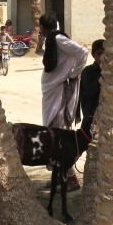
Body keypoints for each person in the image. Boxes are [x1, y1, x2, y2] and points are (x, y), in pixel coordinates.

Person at [40, 12, 89, 190]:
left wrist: (73, 74)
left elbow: (83, 52)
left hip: (59, 94)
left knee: (59, 135)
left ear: (43, 28)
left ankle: (71, 179)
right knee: (53, 134)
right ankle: (58, 178)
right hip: (53, 92)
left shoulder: (58, 40)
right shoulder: (53, 40)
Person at [79, 39, 105, 130]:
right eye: (99, 53)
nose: (102, 57)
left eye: (105, 53)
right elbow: (89, 92)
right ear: (93, 55)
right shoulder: (88, 71)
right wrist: (103, 74)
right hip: (91, 119)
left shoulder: (112, 73)